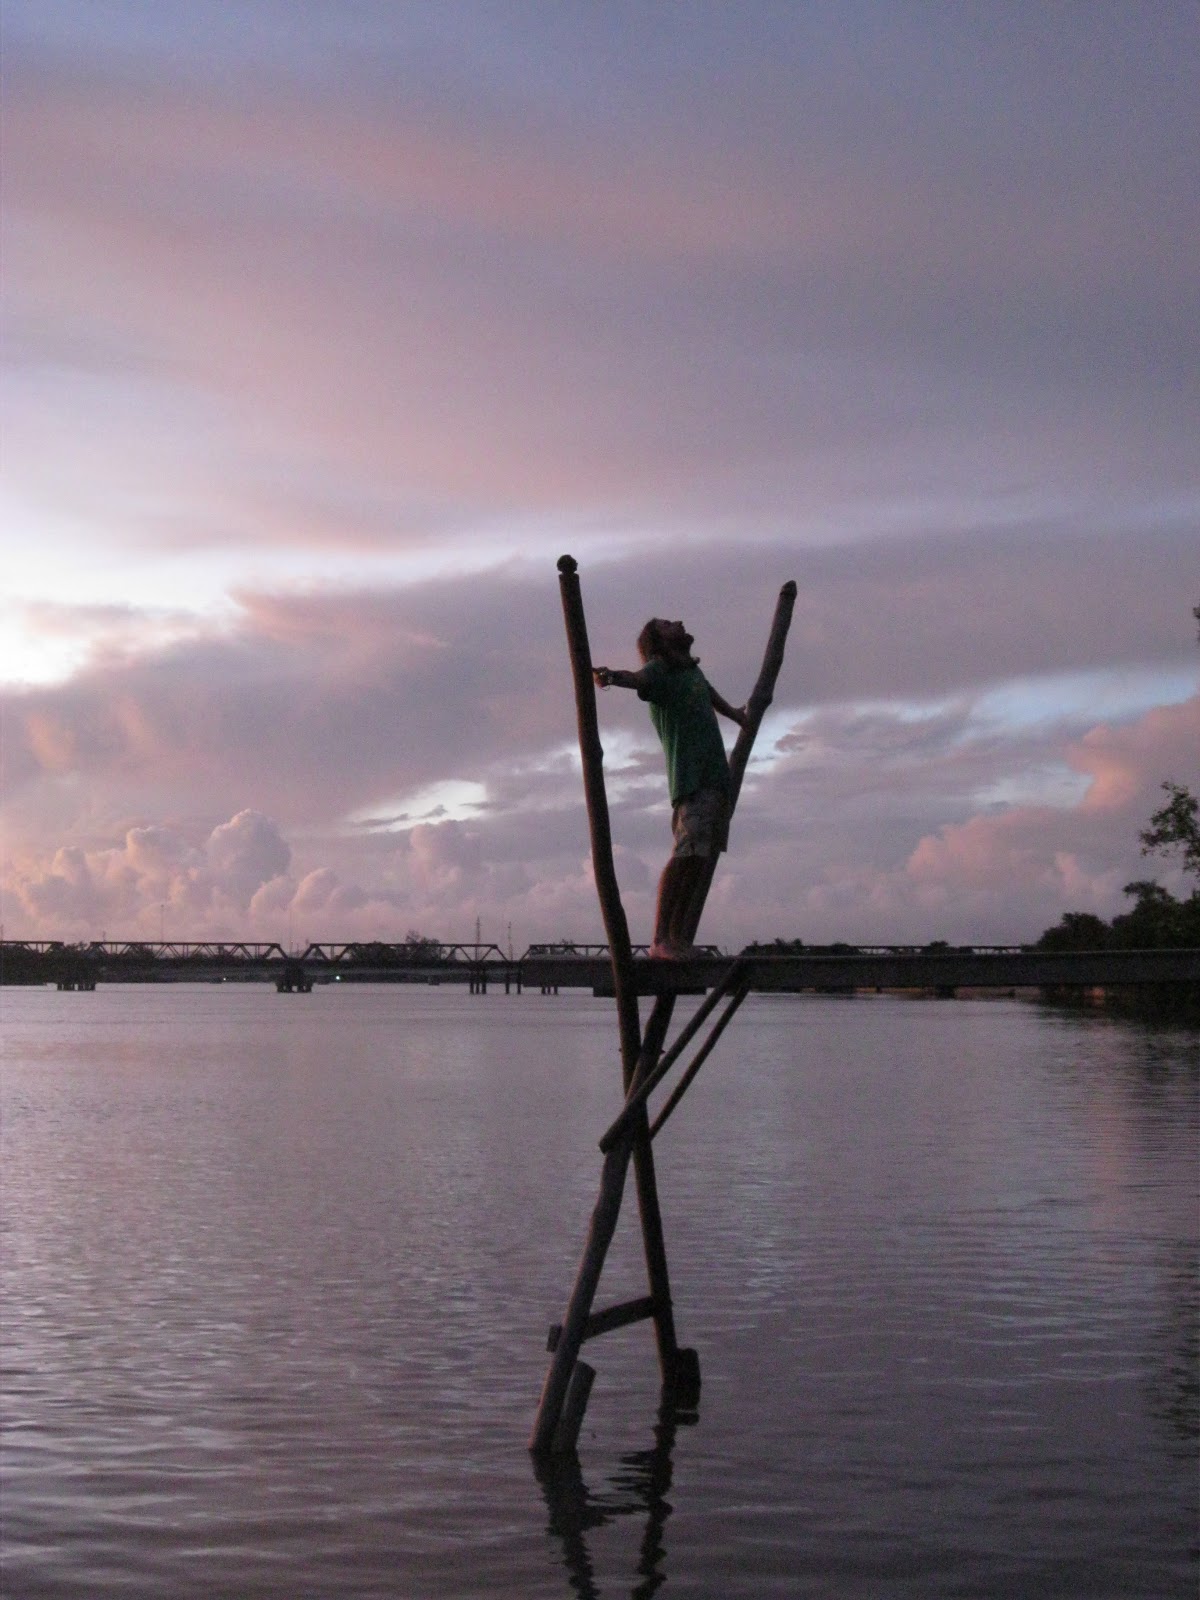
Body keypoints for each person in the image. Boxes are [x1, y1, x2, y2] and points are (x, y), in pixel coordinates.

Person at [593, 618, 745, 959]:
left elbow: (709, 694)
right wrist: (611, 677)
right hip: (692, 780)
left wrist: (736, 715)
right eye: (667, 624)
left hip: (715, 779)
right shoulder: (660, 669)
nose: (678, 622)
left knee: (699, 861)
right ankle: (661, 939)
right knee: (686, 855)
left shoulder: (690, 671)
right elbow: (638, 679)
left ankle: (678, 940)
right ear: (658, 642)